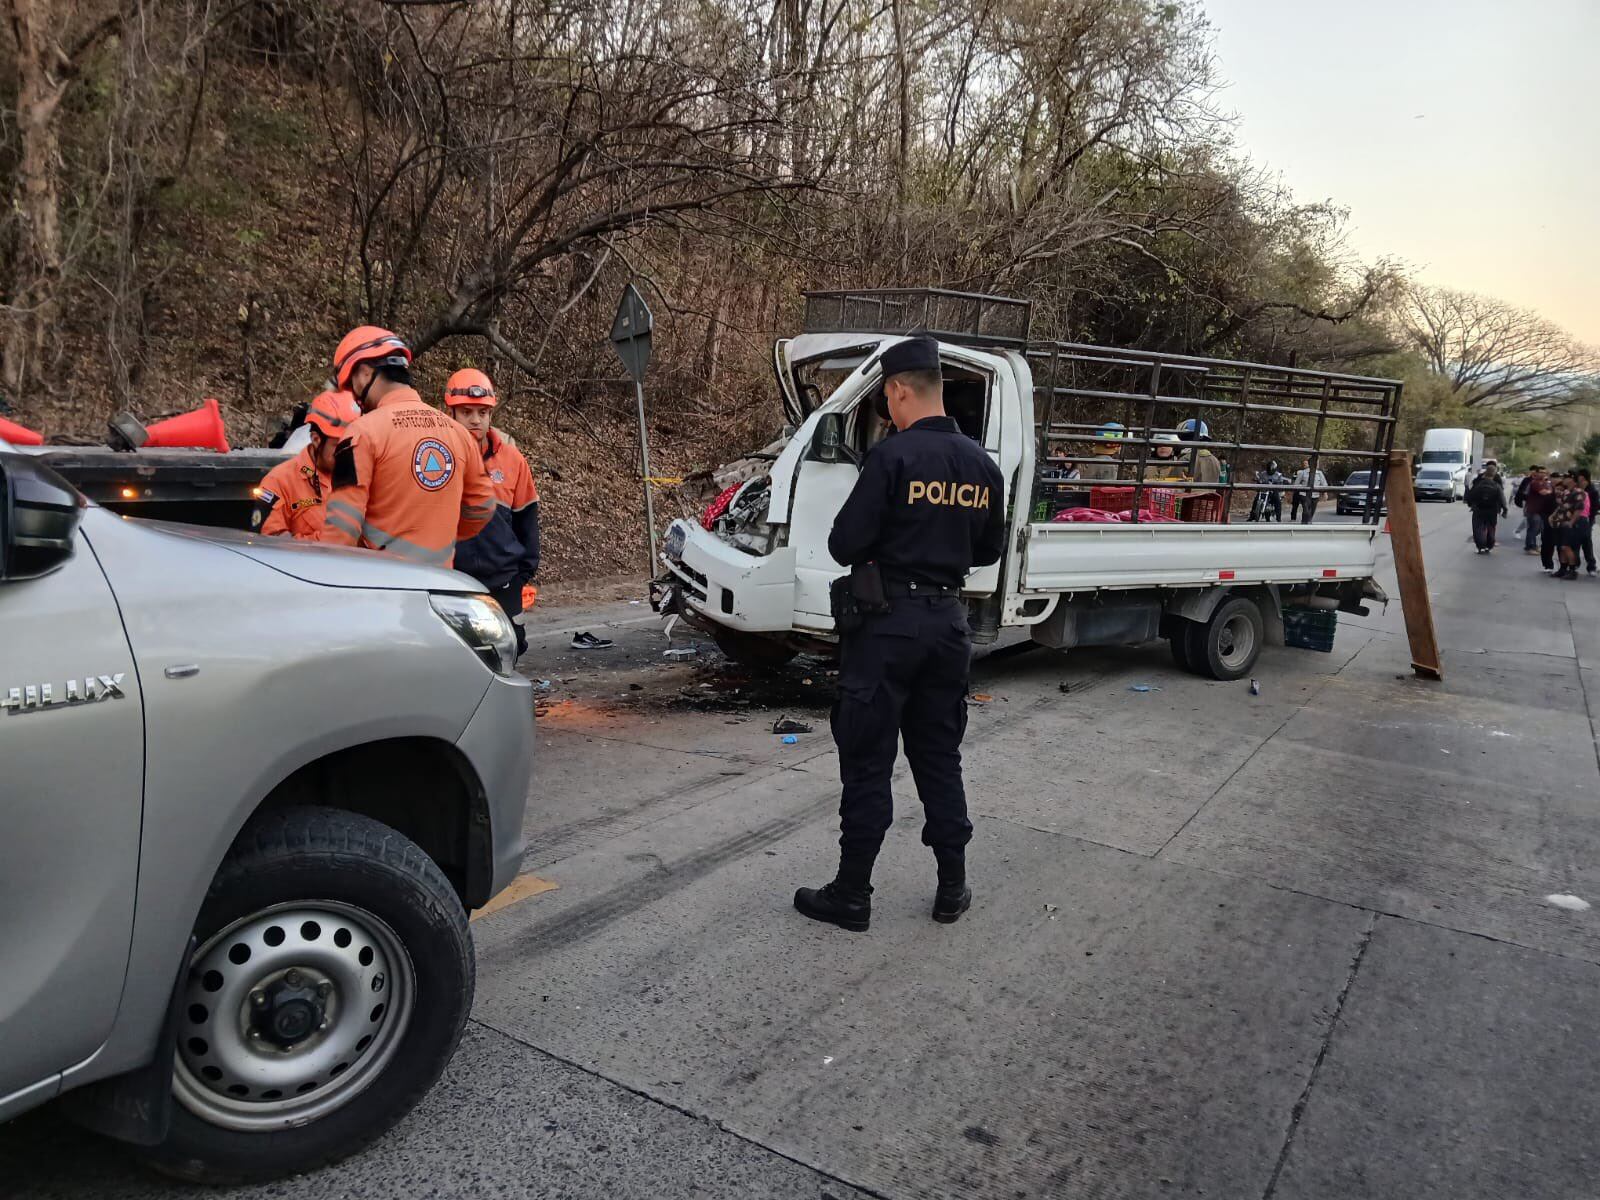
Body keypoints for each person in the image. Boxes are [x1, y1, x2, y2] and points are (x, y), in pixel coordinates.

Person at [794, 335, 1005, 933]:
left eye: (886, 397)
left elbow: (843, 544)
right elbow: (988, 548)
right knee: (940, 759)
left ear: (897, 391)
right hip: (947, 625)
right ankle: (952, 888)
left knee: (867, 761)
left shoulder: (892, 458)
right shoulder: (981, 465)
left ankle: (853, 894)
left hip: (887, 627)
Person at [318, 326, 496, 567]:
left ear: (363, 373)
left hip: (382, 587)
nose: (355, 395)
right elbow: (482, 507)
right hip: (439, 587)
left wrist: (325, 575)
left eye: (352, 385)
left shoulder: (362, 433)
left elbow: (342, 526)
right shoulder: (458, 434)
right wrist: (437, 537)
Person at [444, 368, 541, 657]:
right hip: (454, 577)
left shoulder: (511, 459)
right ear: (450, 413)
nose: (475, 420)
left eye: (482, 413)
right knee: (460, 651)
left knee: (511, 646)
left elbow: (527, 515)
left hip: (503, 577)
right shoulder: (436, 456)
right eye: (466, 412)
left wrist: (525, 570)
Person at [254, 390, 361, 539]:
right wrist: (331, 540)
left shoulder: (362, 474)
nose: (348, 454)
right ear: (316, 440)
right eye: (340, 446)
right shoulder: (279, 482)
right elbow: (270, 547)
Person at [1550, 474, 1590, 580]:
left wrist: (1572, 522)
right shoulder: (1566, 492)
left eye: (1566, 478)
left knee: (1566, 546)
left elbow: (1579, 509)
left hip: (1571, 523)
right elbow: (1561, 506)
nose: (1563, 480)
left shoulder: (1579, 492)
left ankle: (1572, 570)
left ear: (1572, 479)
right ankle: (1563, 569)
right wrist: (1553, 516)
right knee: (1561, 546)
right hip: (1561, 522)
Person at [1465, 465, 1507, 553]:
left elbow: (1470, 495)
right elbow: (1502, 498)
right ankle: (1489, 545)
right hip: (1492, 510)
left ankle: (1480, 546)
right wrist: (1504, 510)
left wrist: (1470, 504)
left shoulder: (1478, 483)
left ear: (1485, 473)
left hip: (1478, 509)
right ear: (1494, 474)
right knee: (1491, 528)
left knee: (1478, 528)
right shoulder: (1497, 485)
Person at [1514, 465, 1553, 555]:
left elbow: (1549, 490)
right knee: (1533, 529)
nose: (1543, 474)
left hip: (1540, 510)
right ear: (1537, 473)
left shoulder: (1544, 483)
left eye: (1544, 472)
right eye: (1541, 472)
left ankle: (1534, 546)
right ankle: (1530, 547)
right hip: (1533, 509)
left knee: (1537, 528)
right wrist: (1549, 491)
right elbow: (1544, 492)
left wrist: (1548, 489)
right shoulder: (1535, 482)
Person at [1291, 457, 1327, 524]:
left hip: (1315, 496)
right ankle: (1305, 523)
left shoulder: (1319, 473)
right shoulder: (1303, 473)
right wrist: (1301, 488)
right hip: (1304, 495)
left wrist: (1325, 493)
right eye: (1316, 463)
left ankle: (1307, 523)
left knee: (1311, 512)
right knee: (1306, 511)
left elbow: (1324, 484)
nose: (1317, 464)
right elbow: (1296, 484)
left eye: (1318, 463)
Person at [1580, 468, 1600, 575]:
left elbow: (1595, 507)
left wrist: (1589, 518)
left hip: (1587, 520)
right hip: (1575, 518)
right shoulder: (1577, 488)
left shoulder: (1592, 491)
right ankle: (1572, 565)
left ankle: (1591, 566)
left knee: (1586, 542)